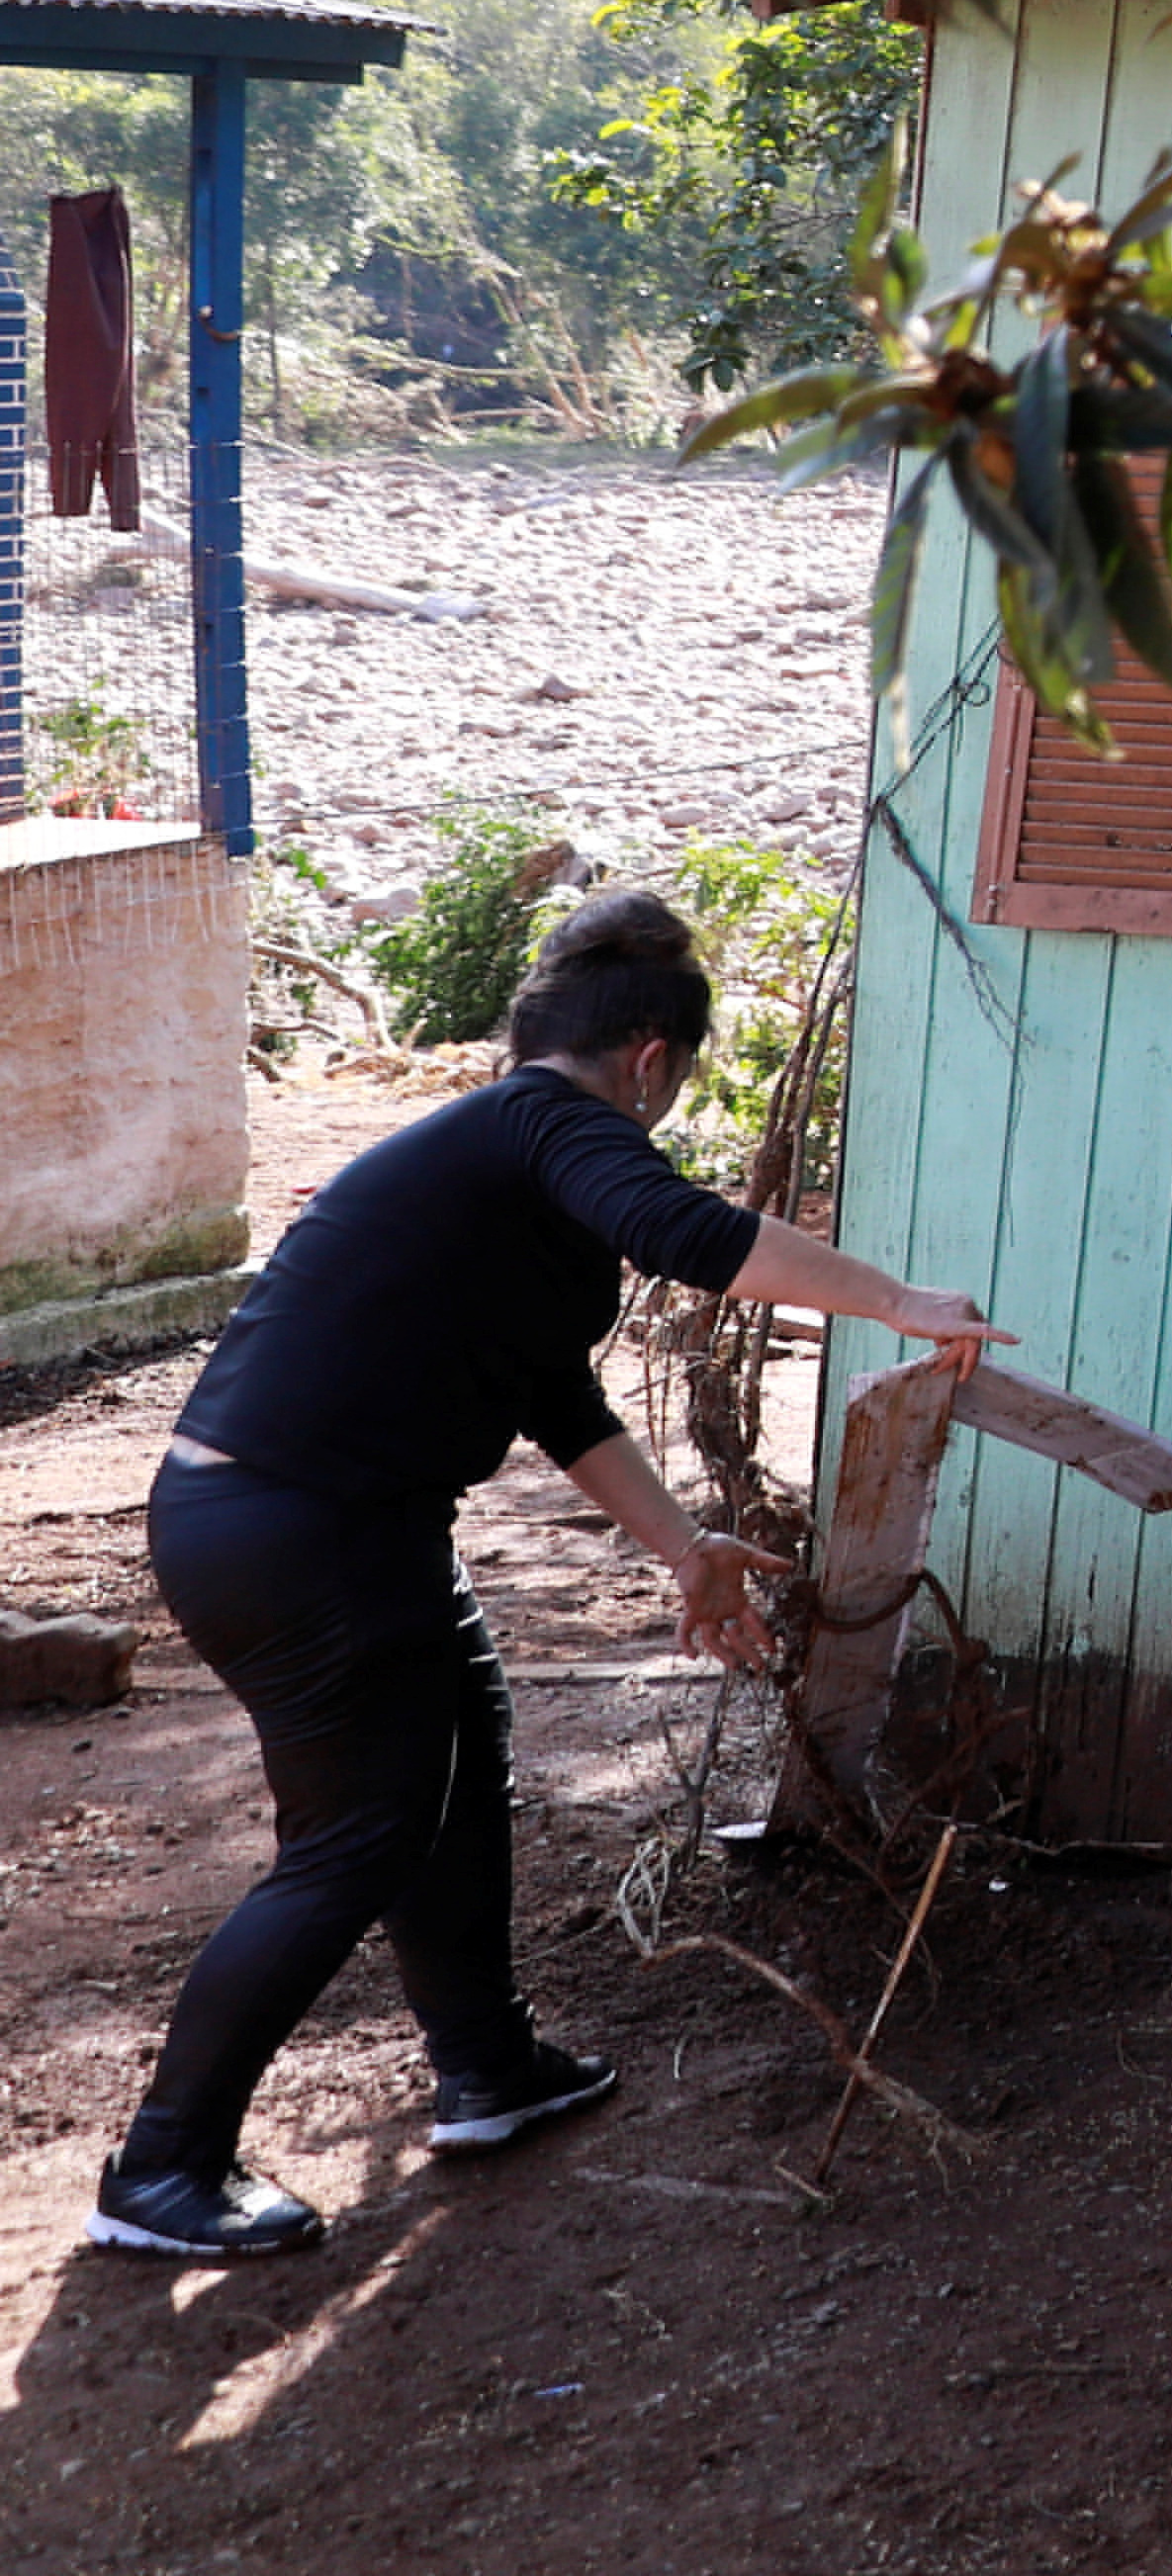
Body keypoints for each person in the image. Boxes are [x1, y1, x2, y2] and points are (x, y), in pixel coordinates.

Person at [86, 884, 1013, 2261]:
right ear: (651, 1058)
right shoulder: (544, 1123)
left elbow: (550, 1396)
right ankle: (162, 2168)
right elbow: (691, 1237)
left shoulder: (512, 1168)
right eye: (673, 1084)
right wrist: (895, 1299)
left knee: (457, 1755)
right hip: (298, 1533)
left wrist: (686, 1547)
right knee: (356, 1836)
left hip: (337, 1527)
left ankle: (488, 2068)